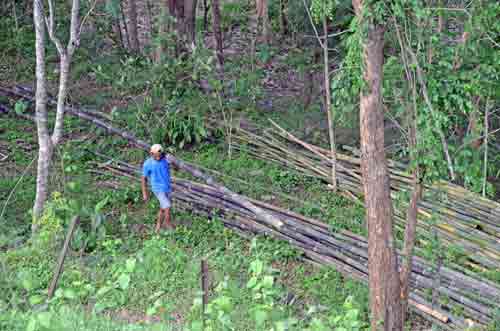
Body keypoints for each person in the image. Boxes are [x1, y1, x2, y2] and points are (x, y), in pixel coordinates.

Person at [142, 144, 174, 233]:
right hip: (157, 189)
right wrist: (144, 193)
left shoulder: (166, 160)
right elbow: (144, 179)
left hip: (167, 188)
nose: (158, 158)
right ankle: (167, 224)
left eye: (159, 156)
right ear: (151, 154)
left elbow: (176, 169)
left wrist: (173, 162)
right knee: (167, 206)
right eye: (155, 156)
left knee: (162, 208)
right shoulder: (147, 164)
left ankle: (158, 226)